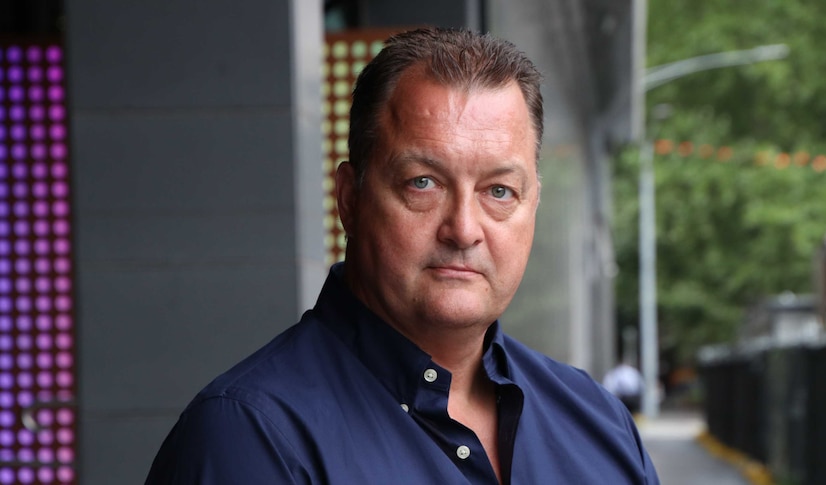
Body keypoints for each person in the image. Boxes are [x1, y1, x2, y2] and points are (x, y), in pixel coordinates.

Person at [146, 27, 660, 484]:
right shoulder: (250, 438)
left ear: (533, 206)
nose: (463, 229)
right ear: (350, 199)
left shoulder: (599, 422)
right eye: (423, 183)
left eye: (498, 191)